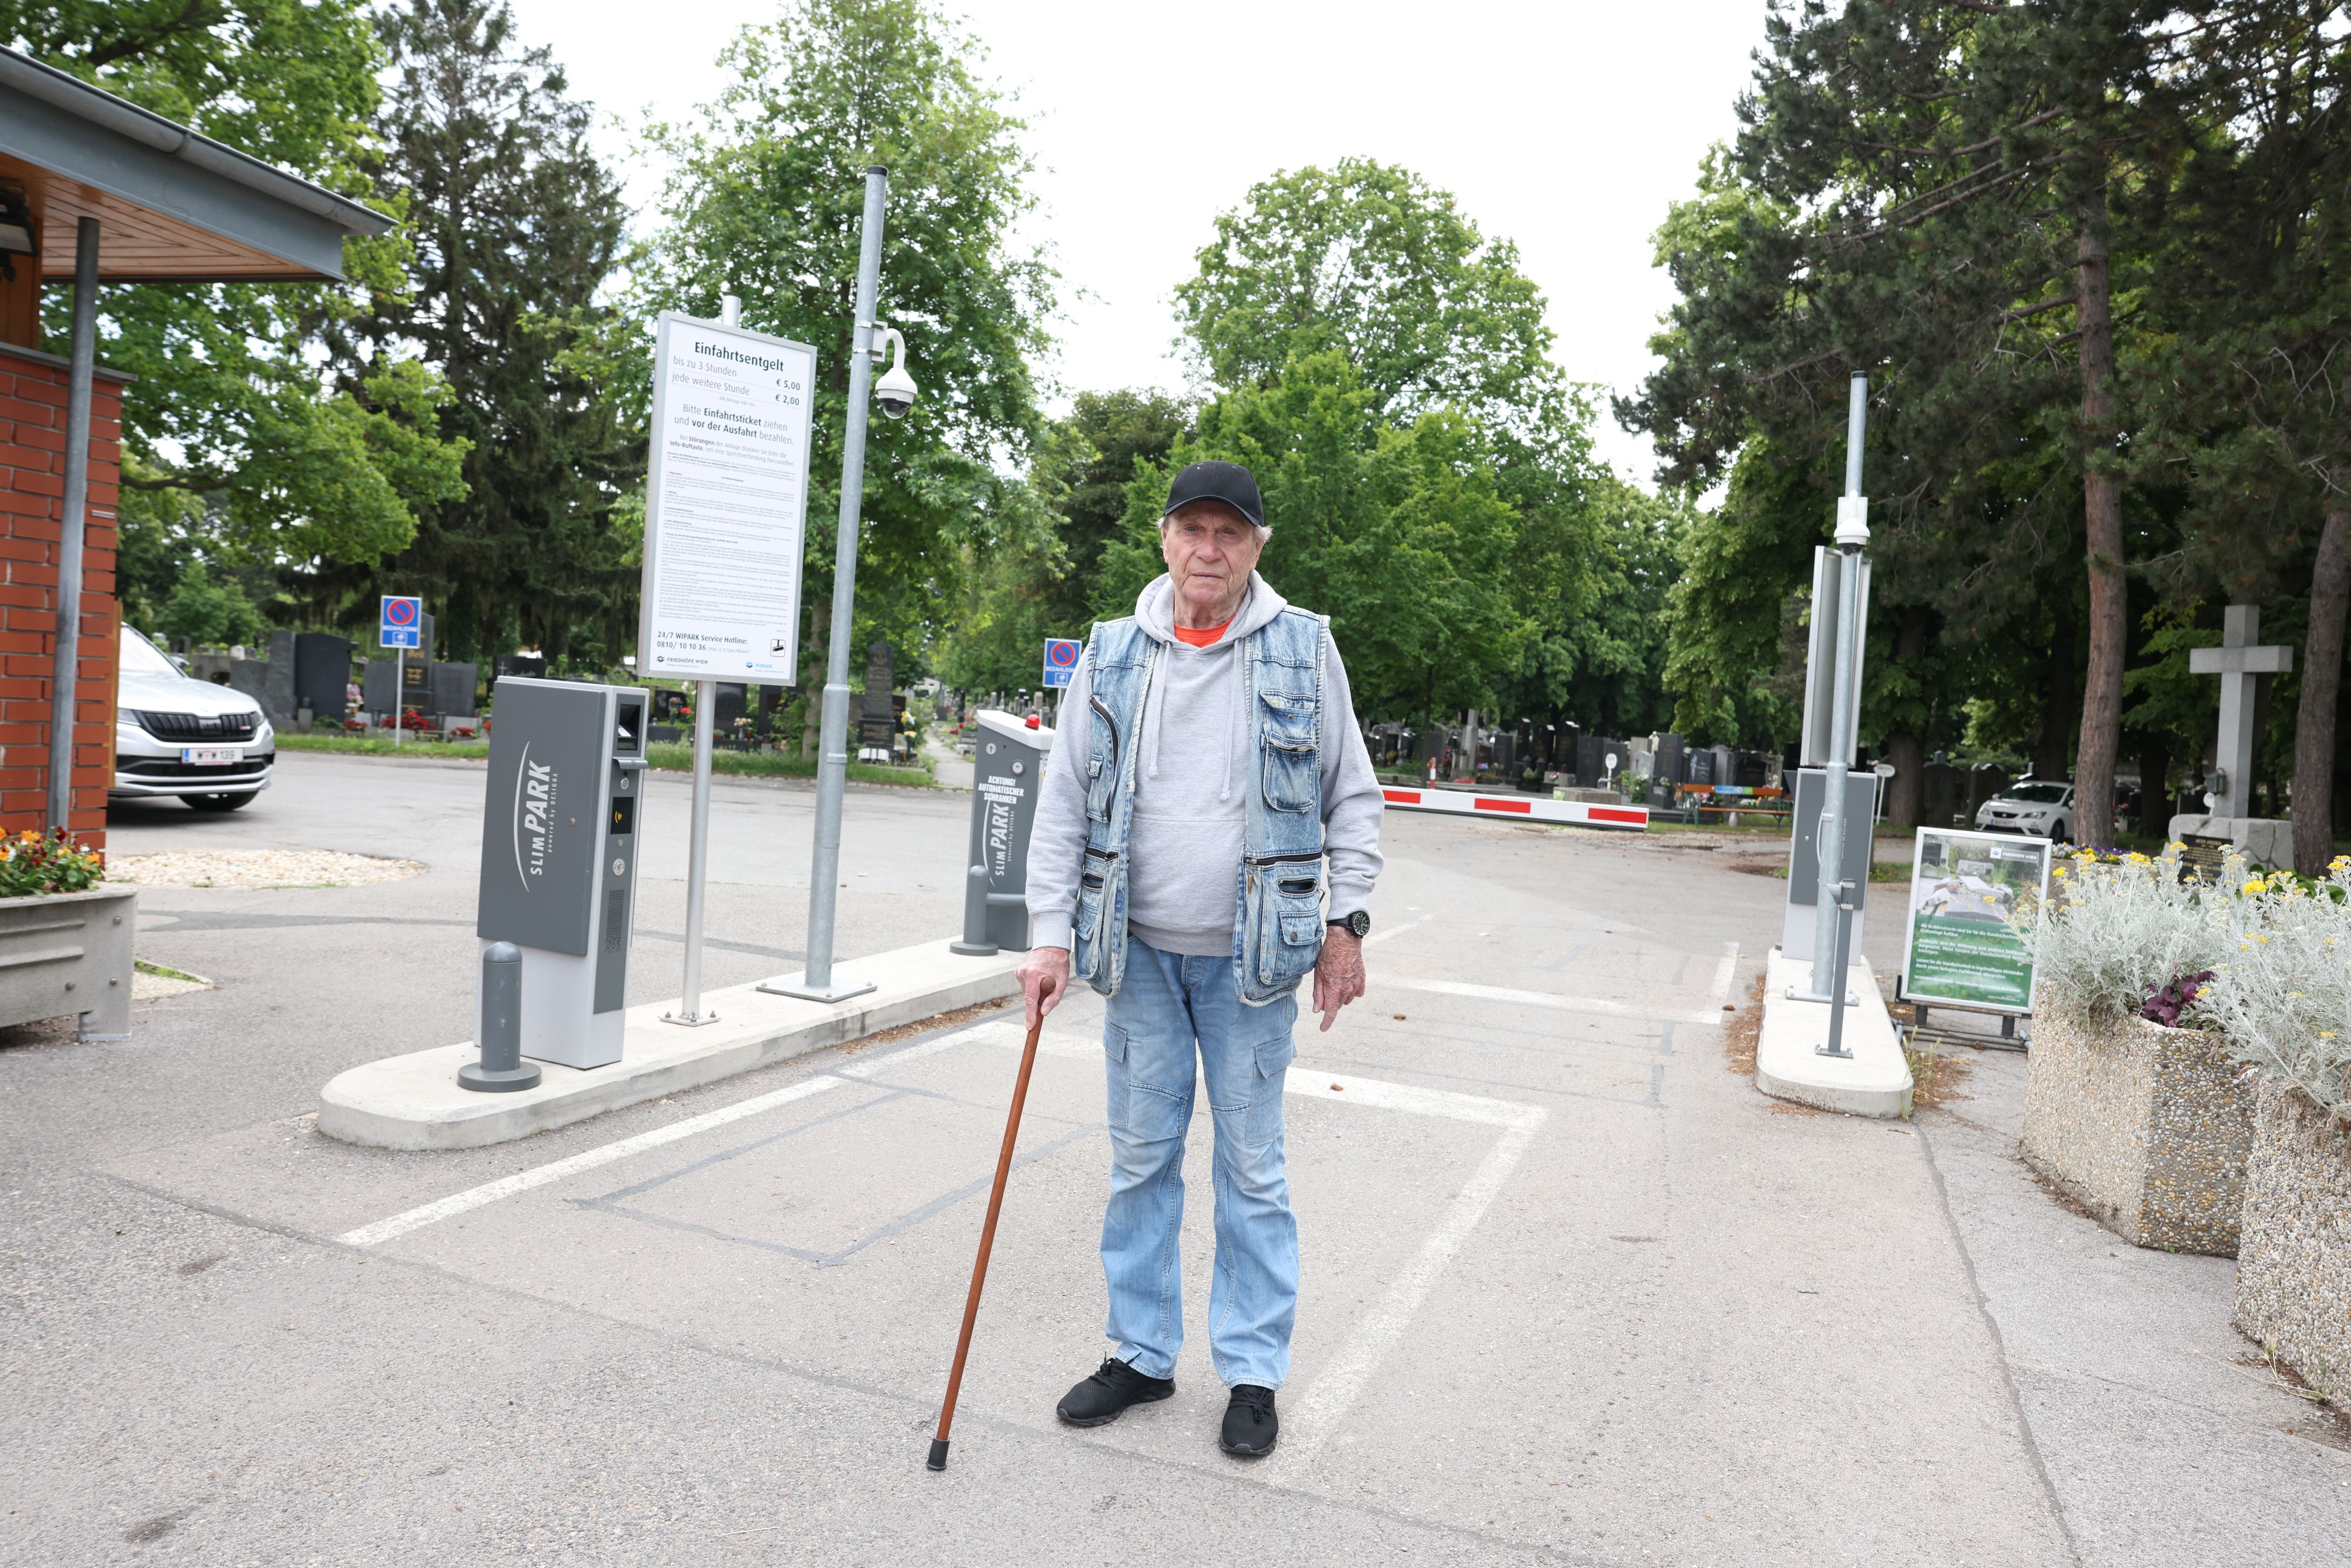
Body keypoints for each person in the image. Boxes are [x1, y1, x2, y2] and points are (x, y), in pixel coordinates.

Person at [1018, 459, 1384, 1459]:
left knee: (1252, 1171)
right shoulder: (1113, 653)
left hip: (1250, 967)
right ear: (1165, 540)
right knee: (1141, 1166)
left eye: (1230, 532)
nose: (1209, 549)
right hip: (1136, 959)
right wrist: (1051, 936)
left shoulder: (1306, 651)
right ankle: (1140, 1354)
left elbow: (1352, 796)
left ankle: (1253, 1373)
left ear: (1258, 546)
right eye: (1193, 530)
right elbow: (1065, 805)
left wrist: (1346, 925)